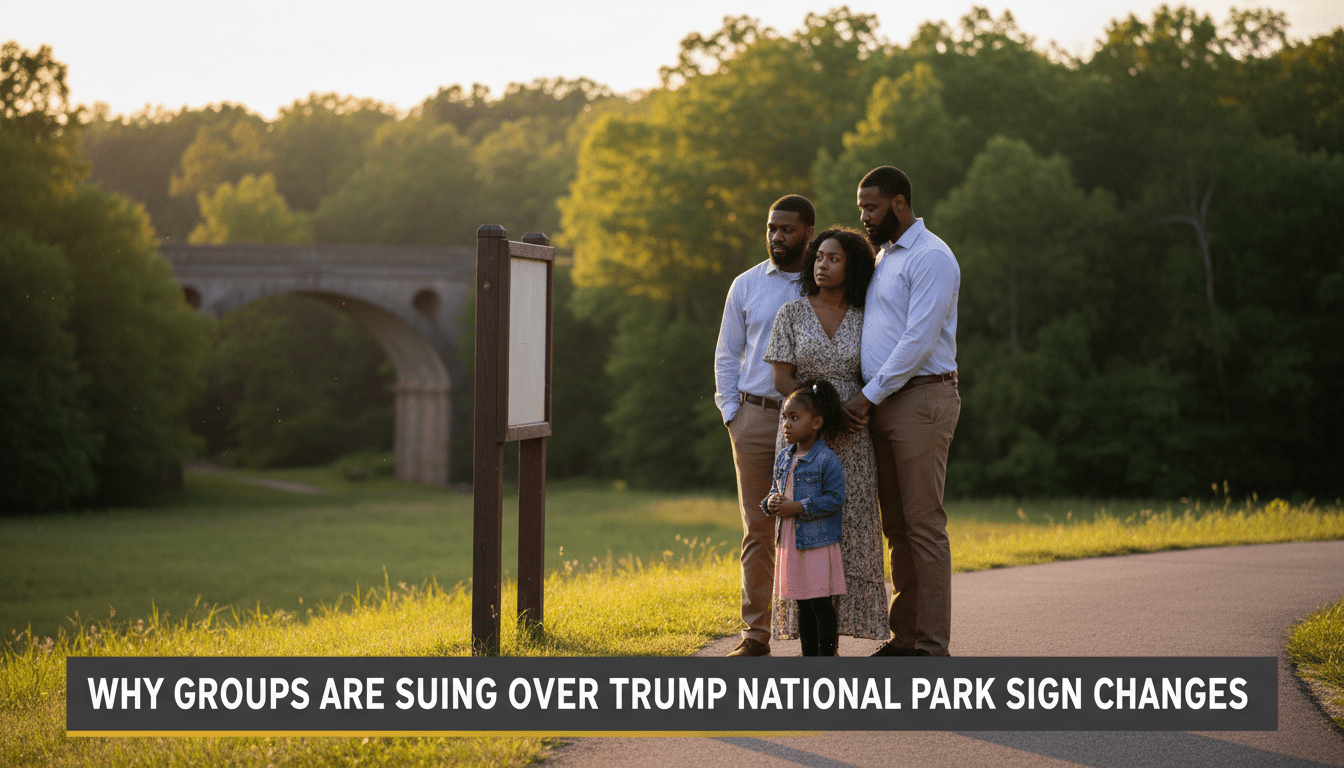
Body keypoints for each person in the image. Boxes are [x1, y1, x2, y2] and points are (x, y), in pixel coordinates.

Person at [841, 166, 961, 658]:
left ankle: (932, 646)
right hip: (885, 403)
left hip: (922, 398)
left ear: (897, 203)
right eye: (860, 209)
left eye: (870, 208)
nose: (864, 218)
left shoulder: (932, 257)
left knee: (923, 526)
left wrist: (867, 398)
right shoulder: (884, 257)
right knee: (896, 528)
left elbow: (918, 340)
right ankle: (904, 637)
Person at [764, 227, 887, 645]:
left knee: (849, 529)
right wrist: (821, 416)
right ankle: (811, 651)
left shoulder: (867, 314)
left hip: (853, 436)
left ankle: (834, 643)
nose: (822, 265)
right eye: (818, 257)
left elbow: (877, 372)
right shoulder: (792, 314)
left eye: (833, 259)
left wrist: (852, 413)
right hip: (804, 436)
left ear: (852, 266)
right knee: (805, 533)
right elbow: (781, 377)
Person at [714, 194, 816, 657]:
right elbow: (726, 353)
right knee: (758, 530)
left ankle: (816, 638)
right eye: (771, 228)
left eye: (787, 229)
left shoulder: (825, 280)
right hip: (755, 419)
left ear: (807, 232)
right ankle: (755, 636)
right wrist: (732, 414)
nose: (777, 237)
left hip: (810, 423)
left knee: (813, 525)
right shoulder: (747, 284)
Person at [762, 381, 848, 657]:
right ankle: (808, 655)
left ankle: (826, 656)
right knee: (801, 603)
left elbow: (835, 500)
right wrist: (771, 502)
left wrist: (798, 507)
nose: (786, 424)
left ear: (816, 423)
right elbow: (777, 492)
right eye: (784, 417)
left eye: (795, 418)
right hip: (791, 541)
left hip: (817, 542)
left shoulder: (827, 460)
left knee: (820, 603)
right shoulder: (783, 458)